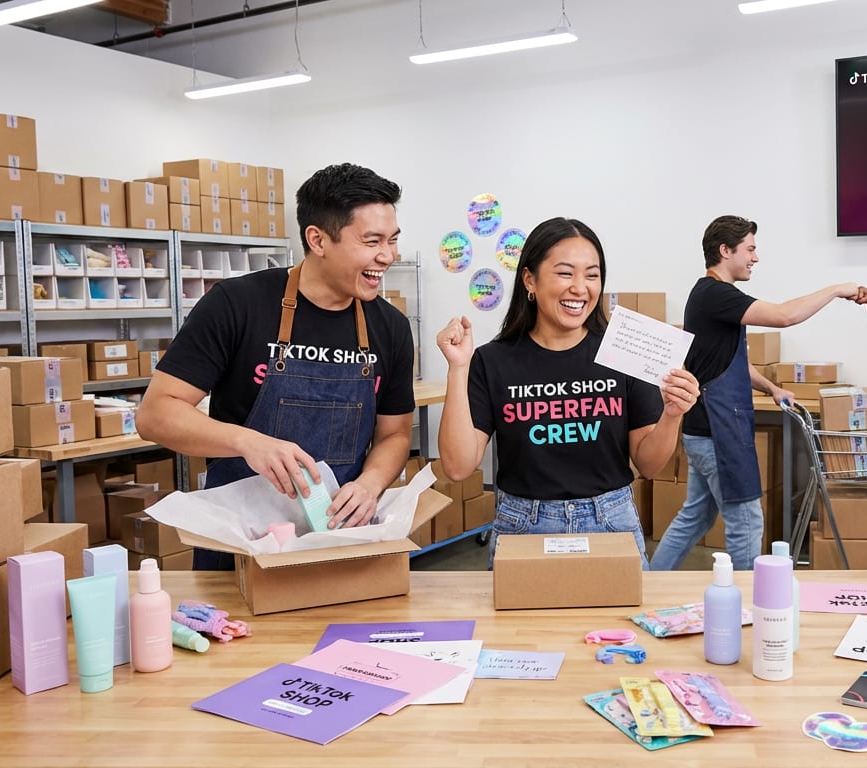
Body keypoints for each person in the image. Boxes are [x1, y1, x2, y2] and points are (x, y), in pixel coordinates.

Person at [136, 163, 416, 570]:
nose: (387, 256)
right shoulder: (237, 305)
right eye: (372, 241)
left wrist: (370, 485)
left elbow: (395, 434)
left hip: (340, 538)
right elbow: (156, 414)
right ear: (317, 239)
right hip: (240, 544)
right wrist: (248, 442)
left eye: (392, 240)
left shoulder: (390, 327)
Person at [435, 217, 698, 566]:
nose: (580, 287)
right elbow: (457, 467)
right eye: (565, 273)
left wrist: (671, 415)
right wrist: (457, 368)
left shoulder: (624, 354)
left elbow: (648, 465)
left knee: (621, 622)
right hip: (523, 523)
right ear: (530, 279)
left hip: (611, 520)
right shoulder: (491, 360)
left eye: (592, 275)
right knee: (523, 624)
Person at [650, 215, 862, 571]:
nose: (755, 257)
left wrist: (771, 387)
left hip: (708, 429)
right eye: (750, 248)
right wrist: (836, 289)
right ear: (725, 250)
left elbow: (728, 361)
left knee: (696, 518)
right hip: (720, 431)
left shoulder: (709, 296)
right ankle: (749, 607)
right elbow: (784, 316)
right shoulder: (717, 294)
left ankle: (650, 579)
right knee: (746, 521)